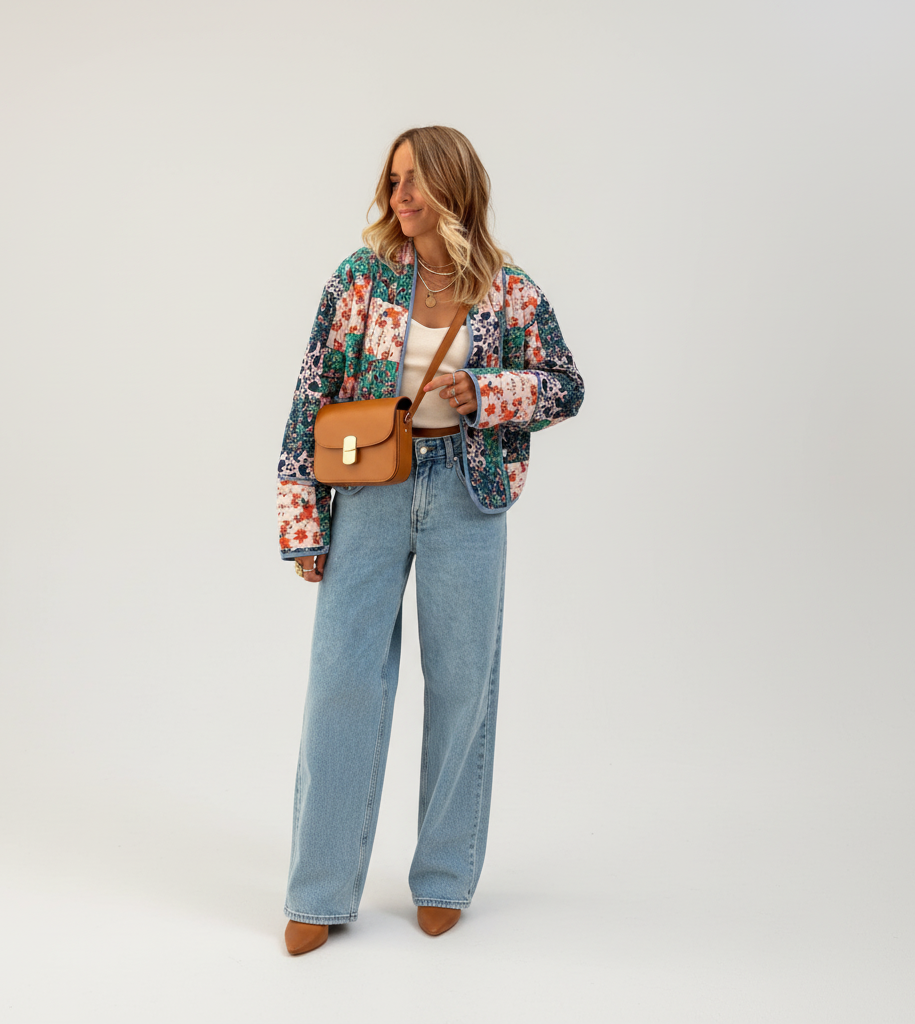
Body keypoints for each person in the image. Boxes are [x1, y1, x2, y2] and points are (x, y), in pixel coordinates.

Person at [276, 126, 583, 955]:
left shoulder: (508, 289)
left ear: (454, 186)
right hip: (368, 490)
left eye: (414, 180)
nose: (399, 196)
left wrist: (487, 391)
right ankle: (318, 890)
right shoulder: (360, 278)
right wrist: (302, 520)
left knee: (462, 686)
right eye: (393, 180)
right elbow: (310, 395)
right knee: (341, 682)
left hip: (466, 494)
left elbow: (565, 386)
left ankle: (445, 875)